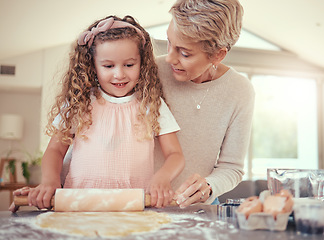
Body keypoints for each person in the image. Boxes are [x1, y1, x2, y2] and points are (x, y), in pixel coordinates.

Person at [9, 15, 185, 212]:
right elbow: (55, 150)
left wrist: (162, 177)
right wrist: (50, 181)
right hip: (78, 202)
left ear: (142, 63)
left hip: (133, 204)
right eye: (108, 66)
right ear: (92, 66)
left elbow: (175, 154)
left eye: (129, 65)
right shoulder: (79, 103)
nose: (119, 74)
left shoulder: (152, 103)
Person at [153, 0, 255, 208]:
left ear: (218, 55)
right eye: (168, 42)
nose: (169, 58)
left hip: (196, 210)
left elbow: (232, 167)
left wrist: (209, 186)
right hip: (143, 205)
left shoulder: (240, 91)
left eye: (185, 53)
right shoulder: (150, 71)